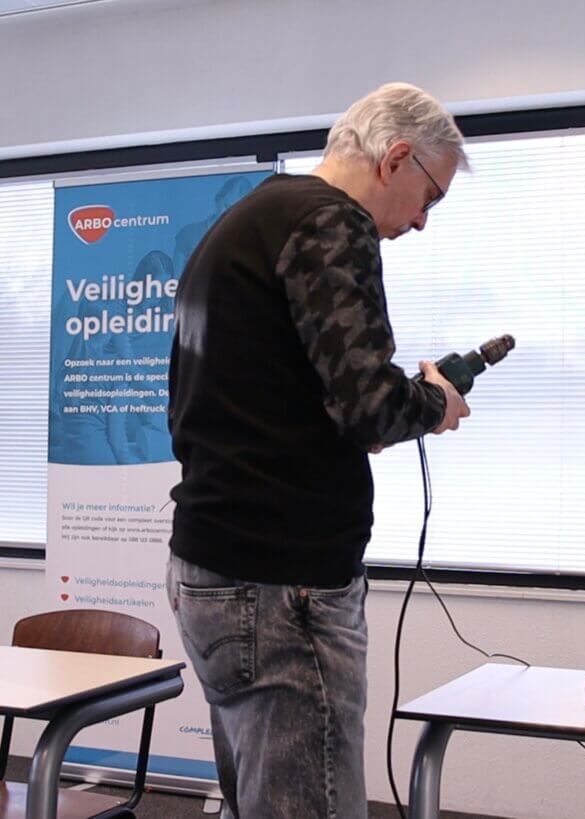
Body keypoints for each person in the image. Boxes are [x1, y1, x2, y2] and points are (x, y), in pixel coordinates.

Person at [165, 82, 471, 819]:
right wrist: (434, 402)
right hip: (281, 584)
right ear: (396, 158)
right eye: (429, 197)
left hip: (213, 566)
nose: (422, 222)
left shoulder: (246, 220)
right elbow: (369, 406)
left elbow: (307, 394)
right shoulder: (331, 221)